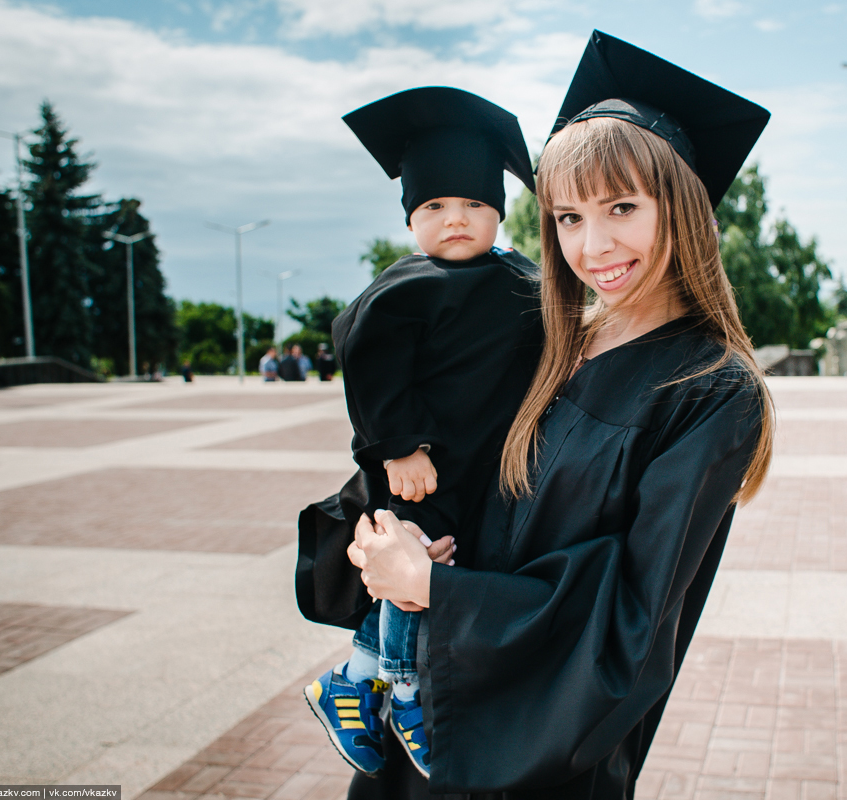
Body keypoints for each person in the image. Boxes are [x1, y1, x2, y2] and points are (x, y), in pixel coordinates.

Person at [300, 31, 776, 798]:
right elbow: (450, 470)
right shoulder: (553, 343)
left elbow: (631, 621)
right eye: (567, 217)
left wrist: (436, 591)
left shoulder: (708, 391)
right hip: (419, 730)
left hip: (530, 755)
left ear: (681, 209)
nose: (594, 245)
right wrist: (378, 537)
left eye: (623, 206)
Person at [299, 86, 542, 781]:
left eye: (473, 206)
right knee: (415, 566)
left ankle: (353, 677)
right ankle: (405, 691)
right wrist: (398, 445)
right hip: (418, 464)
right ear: (410, 220)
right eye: (434, 207)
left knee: (431, 563)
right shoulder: (405, 287)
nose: (455, 220)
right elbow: (368, 364)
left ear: (499, 212)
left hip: (477, 466)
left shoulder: (520, 278)